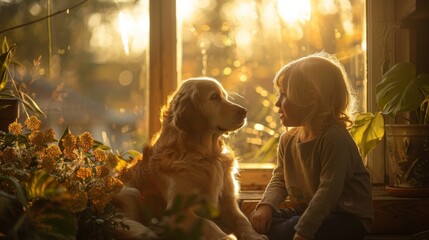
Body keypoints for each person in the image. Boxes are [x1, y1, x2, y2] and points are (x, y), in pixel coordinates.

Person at [249, 52, 373, 240]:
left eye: (284, 95)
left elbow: (327, 194)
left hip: (344, 219)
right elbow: (280, 178)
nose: (276, 103)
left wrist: (303, 232)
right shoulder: (288, 139)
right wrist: (266, 207)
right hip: (308, 215)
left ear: (310, 99)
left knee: (291, 228)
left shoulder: (335, 138)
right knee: (259, 222)